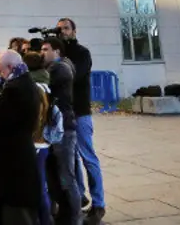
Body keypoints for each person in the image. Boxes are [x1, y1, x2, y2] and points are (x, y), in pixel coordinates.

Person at [0, 50, 41, 225]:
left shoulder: (14, 88)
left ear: (10, 67)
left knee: (15, 207)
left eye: (0, 70)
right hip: (22, 149)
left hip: (14, 154)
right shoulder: (26, 81)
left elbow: (3, 120)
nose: (0, 74)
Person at [58, 18, 103, 225]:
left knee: (88, 158)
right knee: (71, 160)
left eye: (66, 28)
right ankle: (79, 198)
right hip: (64, 113)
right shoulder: (59, 53)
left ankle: (99, 204)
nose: (63, 32)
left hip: (80, 112)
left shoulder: (82, 53)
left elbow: (74, 75)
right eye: (59, 29)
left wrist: (58, 63)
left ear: (74, 31)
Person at [41, 38, 80, 225]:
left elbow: (44, 81)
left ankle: (74, 218)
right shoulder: (55, 67)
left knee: (66, 177)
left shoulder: (61, 67)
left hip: (63, 129)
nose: (42, 53)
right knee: (54, 177)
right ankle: (63, 216)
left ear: (56, 51)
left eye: (45, 49)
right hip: (54, 128)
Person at [24, 52, 54, 225]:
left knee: (39, 186)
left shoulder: (34, 87)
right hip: (42, 141)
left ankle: (44, 220)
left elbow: (35, 117)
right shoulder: (45, 82)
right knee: (41, 184)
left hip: (35, 141)